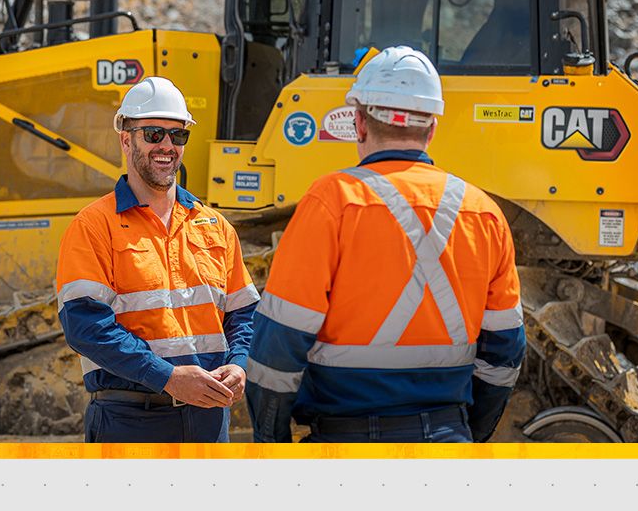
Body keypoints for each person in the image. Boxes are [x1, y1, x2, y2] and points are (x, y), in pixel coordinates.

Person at [245, 46, 525, 443]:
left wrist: (270, 444)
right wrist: (467, 433)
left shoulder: (332, 201)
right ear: (431, 129)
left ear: (359, 123)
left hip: (347, 441)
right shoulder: (484, 213)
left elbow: (279, 343)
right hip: (447, 439)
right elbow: (505, 350)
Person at [56, 76, 259, 443]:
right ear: (126, 138)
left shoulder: (214, 225)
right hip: (129, 421)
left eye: (177, 135)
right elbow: (84, 325)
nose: (167, 146)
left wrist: (239, 364)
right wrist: (166, 377)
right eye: (153, 134)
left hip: (209, 422)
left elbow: (244, 313)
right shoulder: (94, 225)